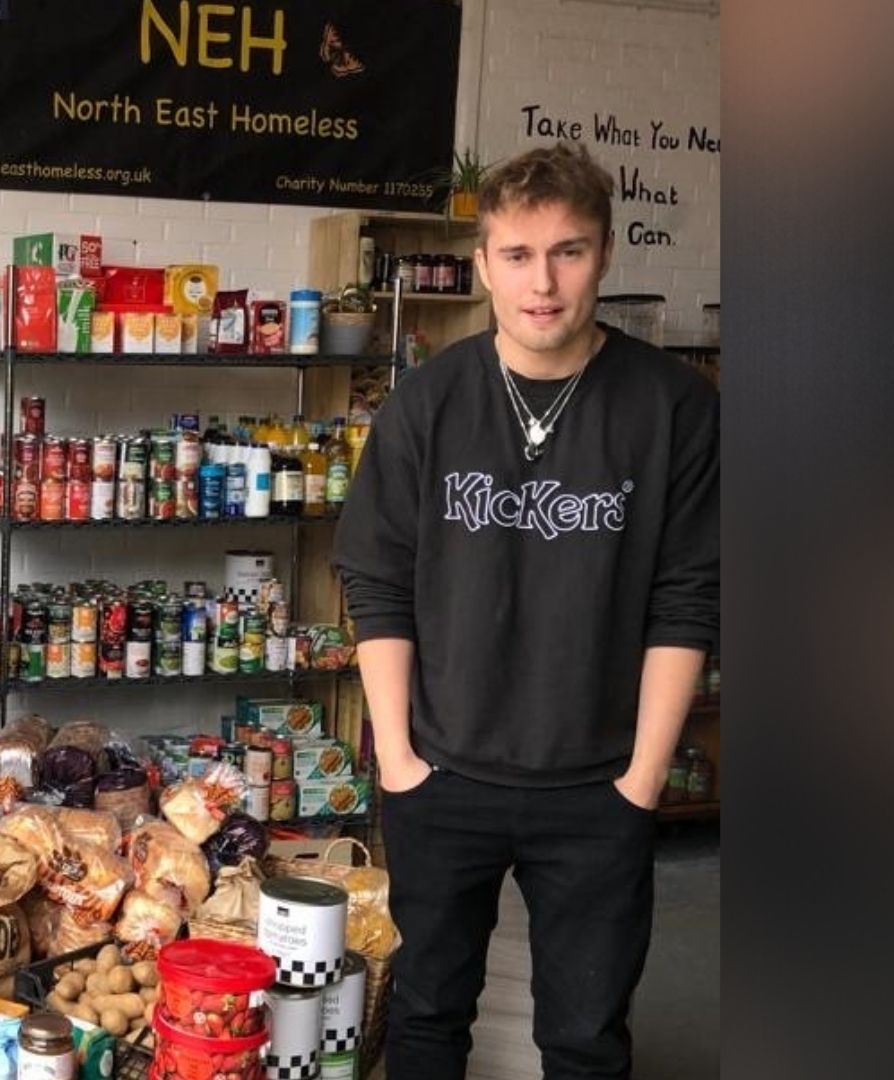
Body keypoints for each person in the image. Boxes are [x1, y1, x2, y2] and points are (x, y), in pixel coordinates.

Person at [333, 141, 719, 1080]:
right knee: (425, 1018)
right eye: (517, 255)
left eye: (568, 252)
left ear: (605, 253)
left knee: (587, 1040)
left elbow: (690, 598)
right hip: (441, 776)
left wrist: (642, 780)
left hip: (599, 786)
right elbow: (377, 581)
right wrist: (399, 762)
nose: (542, 283)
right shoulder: (426, 402)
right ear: (482, 265)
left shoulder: (674, 406)